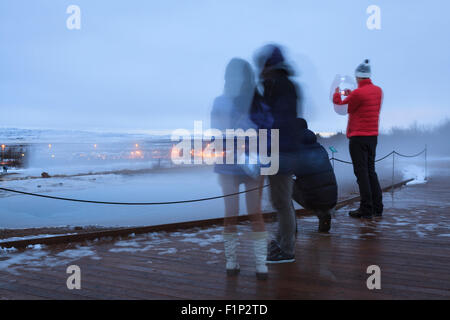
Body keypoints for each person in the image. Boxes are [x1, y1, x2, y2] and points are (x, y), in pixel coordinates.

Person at [211, 58, 268, 280]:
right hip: (253, 161)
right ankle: (261, 266)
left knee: (231, 215)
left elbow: (217, 131)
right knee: (255, 213)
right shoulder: (258, 102)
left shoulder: (220, 102)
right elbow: (267, 131)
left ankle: (232, 263)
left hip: (228, 163)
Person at [254, 44, 301, 263]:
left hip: (280, 151)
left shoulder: (280, 87)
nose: (260, 69)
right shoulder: (279, 85)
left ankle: (287, 249)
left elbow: (274, 121)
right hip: (281, 149)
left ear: (270, 65)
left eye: (262, 65)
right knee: (280, 201)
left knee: (281, 202)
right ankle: (282, 241)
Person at [333, 59, 383, 219]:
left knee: (361, 173)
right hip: (372, 137)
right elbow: (360, 102)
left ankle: (366, 208)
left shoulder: (358, 93)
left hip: (358, 138)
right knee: (370, 171)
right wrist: (351, 95)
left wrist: (336, 93)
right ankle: (377, 207)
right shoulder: (378, 91)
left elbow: (343, 104)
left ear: (358, 77)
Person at [291, 118, 337, 232]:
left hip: (314, 199)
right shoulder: (320, 148)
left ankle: (290, 226)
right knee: (314, 184)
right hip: (332, 198)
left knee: (283, 185)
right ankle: (323, 213)